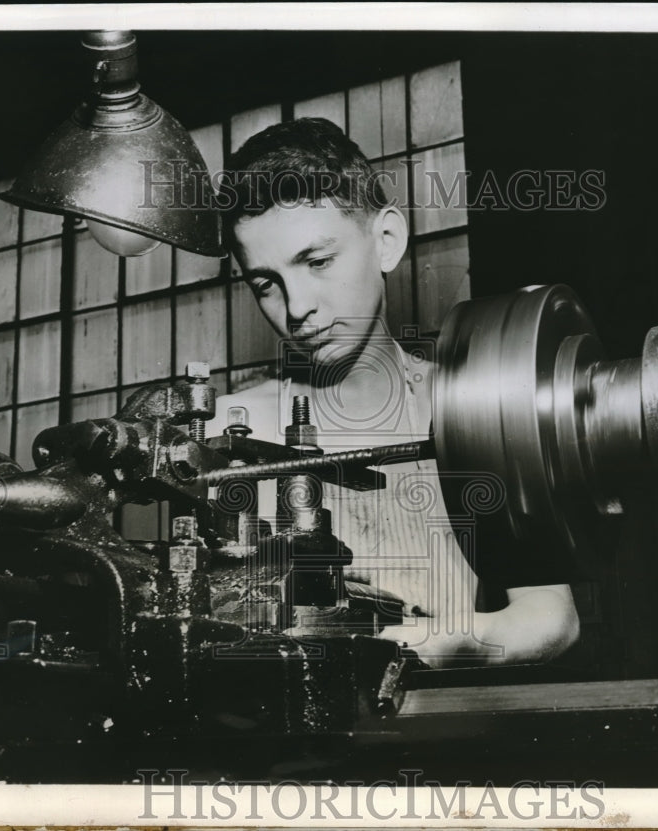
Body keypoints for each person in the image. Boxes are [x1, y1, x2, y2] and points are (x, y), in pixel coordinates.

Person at [213, 117, 579, 668]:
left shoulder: (473, 408)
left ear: (386, 241)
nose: (295, 309)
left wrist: (407, 644)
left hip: (450, 723)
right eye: (266, 283)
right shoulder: (237, 429)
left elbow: (552, 618)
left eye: (317, 262)